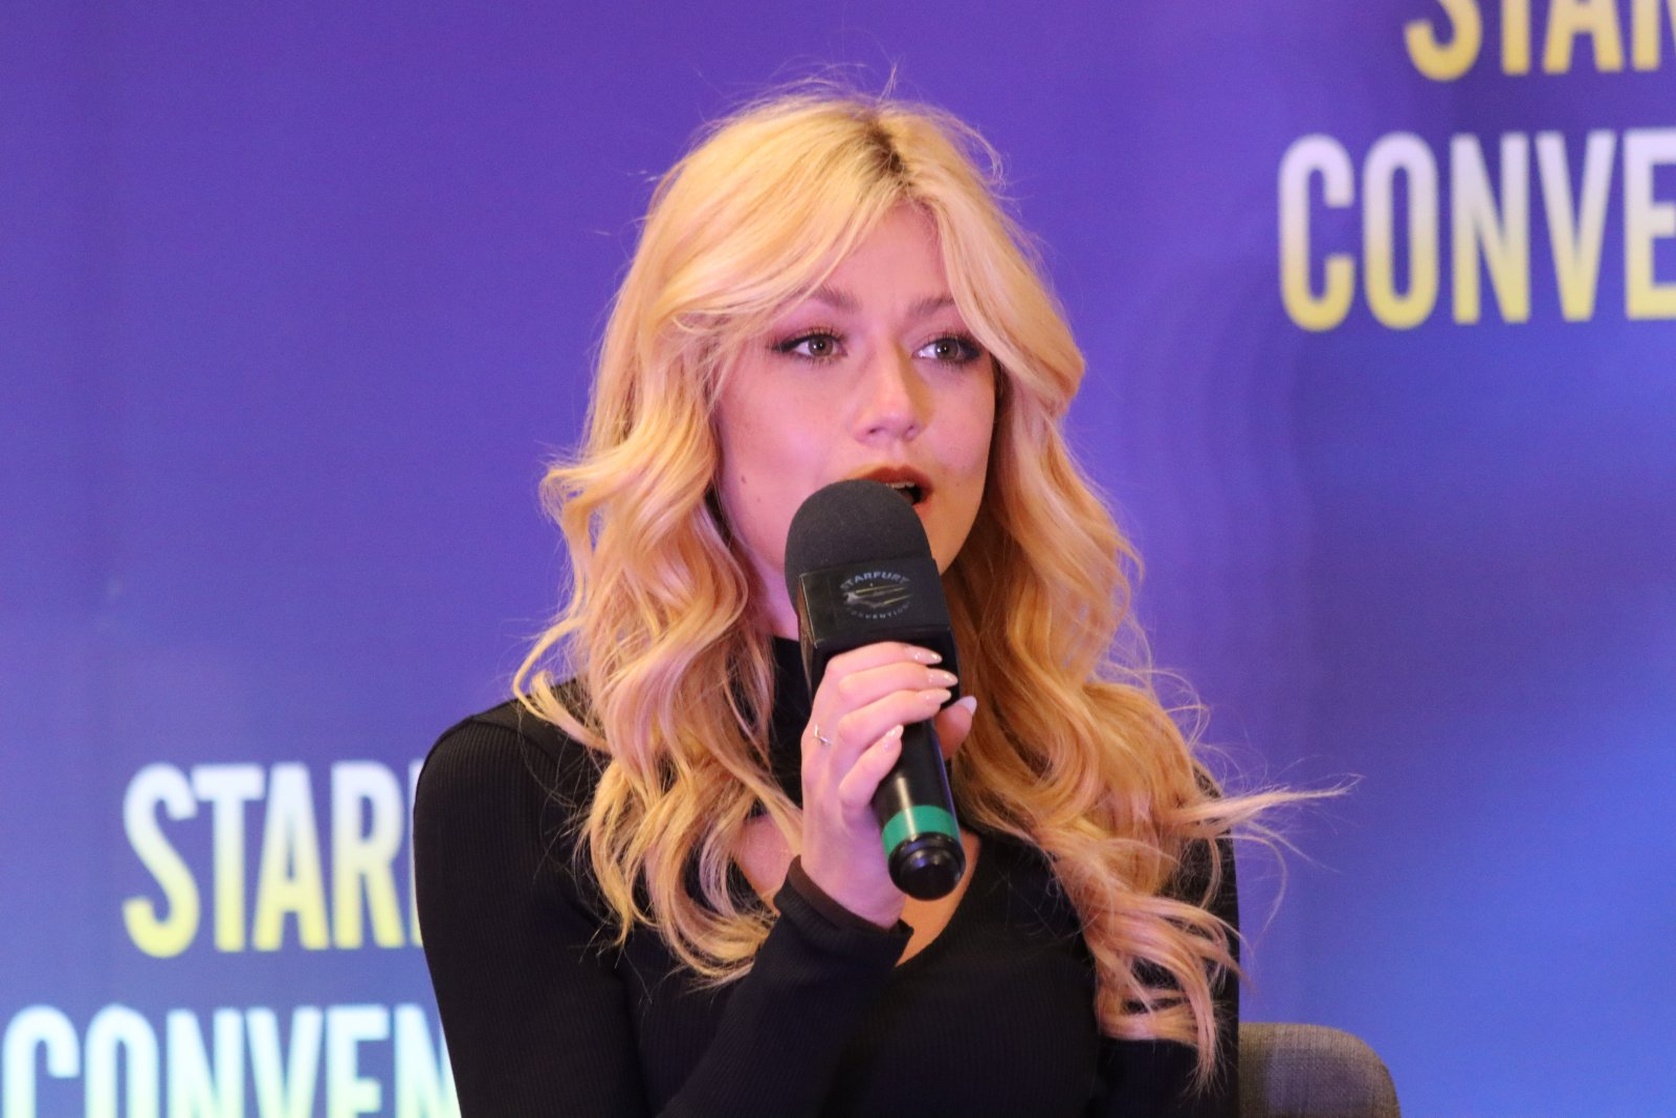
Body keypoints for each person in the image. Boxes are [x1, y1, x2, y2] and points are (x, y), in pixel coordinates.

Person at [414, 89, 1276, 1117]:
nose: (895, 408)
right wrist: (830, 917)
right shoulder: (523, 793)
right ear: (692, 397)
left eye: (948, 346)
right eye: (815, 342)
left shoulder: (1123, 801)